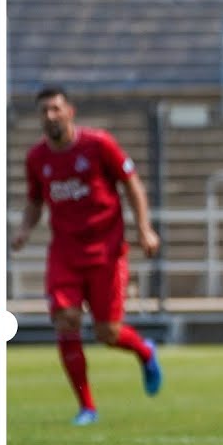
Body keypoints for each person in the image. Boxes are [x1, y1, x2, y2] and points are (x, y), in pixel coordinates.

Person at [14, 86, 163, 425]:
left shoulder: (98, 145)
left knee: (107, 333)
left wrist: (144, 228)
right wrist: (24, 229)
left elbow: (132, 184)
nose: (50, 116)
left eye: (55, 109)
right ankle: (87, 407)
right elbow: (35, 201)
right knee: (65, 320)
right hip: (65, 253)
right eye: (44, 111)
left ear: (71, 111)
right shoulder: (37, 158)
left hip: (107, 252)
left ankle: (144, 351)